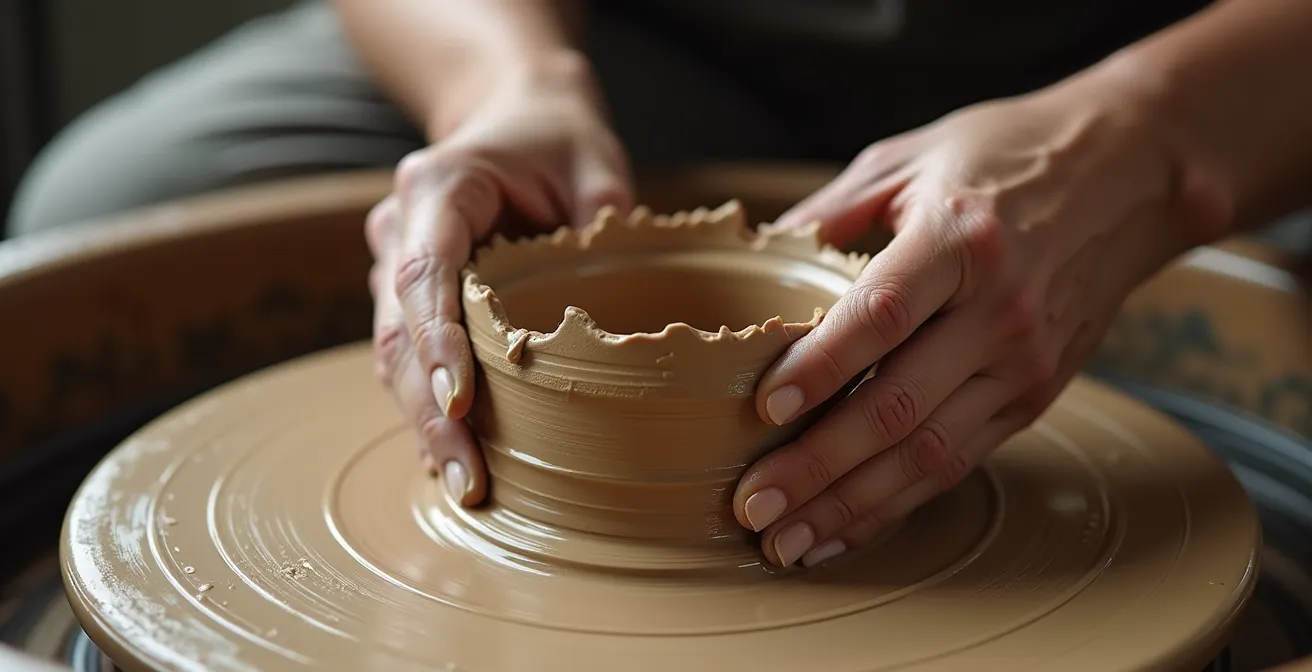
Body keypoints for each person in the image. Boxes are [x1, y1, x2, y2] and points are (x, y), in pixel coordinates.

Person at [8, 0, 1312, 569]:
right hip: (643, 43)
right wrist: (503, 81)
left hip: (1164, 65)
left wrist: (1157, 145)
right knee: (114, 205)